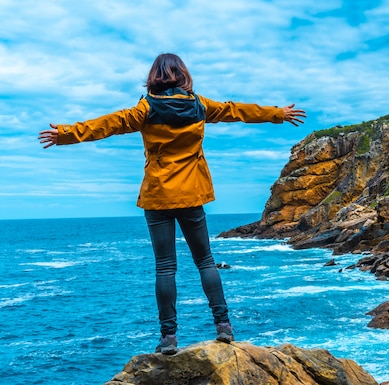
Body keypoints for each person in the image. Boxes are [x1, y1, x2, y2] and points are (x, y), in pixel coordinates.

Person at [38, 53, 306, 355]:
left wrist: (64, 134)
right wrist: (277, 113)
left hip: (157, 196)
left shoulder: (145, 109)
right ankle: (224, 327)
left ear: (154, 77)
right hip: (192, 193)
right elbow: (236, 110)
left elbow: (107, 125)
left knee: (165, 267)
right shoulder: (199, 105)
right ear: (183, 76)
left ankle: (168, 338)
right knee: (205, 260)